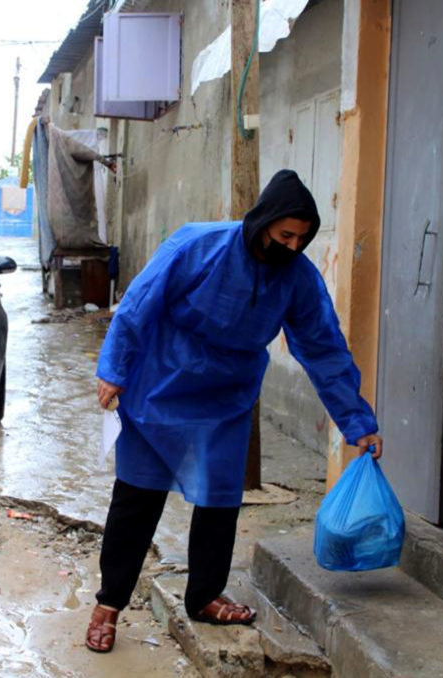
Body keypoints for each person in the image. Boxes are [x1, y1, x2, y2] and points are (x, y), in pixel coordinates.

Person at [85, 170, 383, 653]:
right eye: (285, 234)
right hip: (162, 381)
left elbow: (323, 347)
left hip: (226, 396)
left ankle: (204, 595)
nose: (292, 246)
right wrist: (114, 368)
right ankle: (109, 604)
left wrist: (357, 421)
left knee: (221, 500)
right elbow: (139, 303)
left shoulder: (298, 278)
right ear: (263, 222)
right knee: (137, 500)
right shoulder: (197, 246)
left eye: (303, 239)